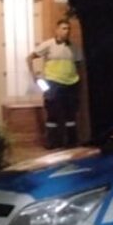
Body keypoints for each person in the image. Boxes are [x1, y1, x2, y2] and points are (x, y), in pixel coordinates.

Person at [28, 19, 84, 149]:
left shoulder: (74, 47)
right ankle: (52, 142)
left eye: (68, 29)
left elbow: (79, 65)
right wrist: (34, 76)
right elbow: (29, 58)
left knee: (71, 114)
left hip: (71, 83)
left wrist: (79, 81)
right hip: (53, 83)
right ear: (57, 30)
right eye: (63, 28)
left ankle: (72, 142)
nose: (67, 31)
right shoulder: (48, 45)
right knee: (52, 113)